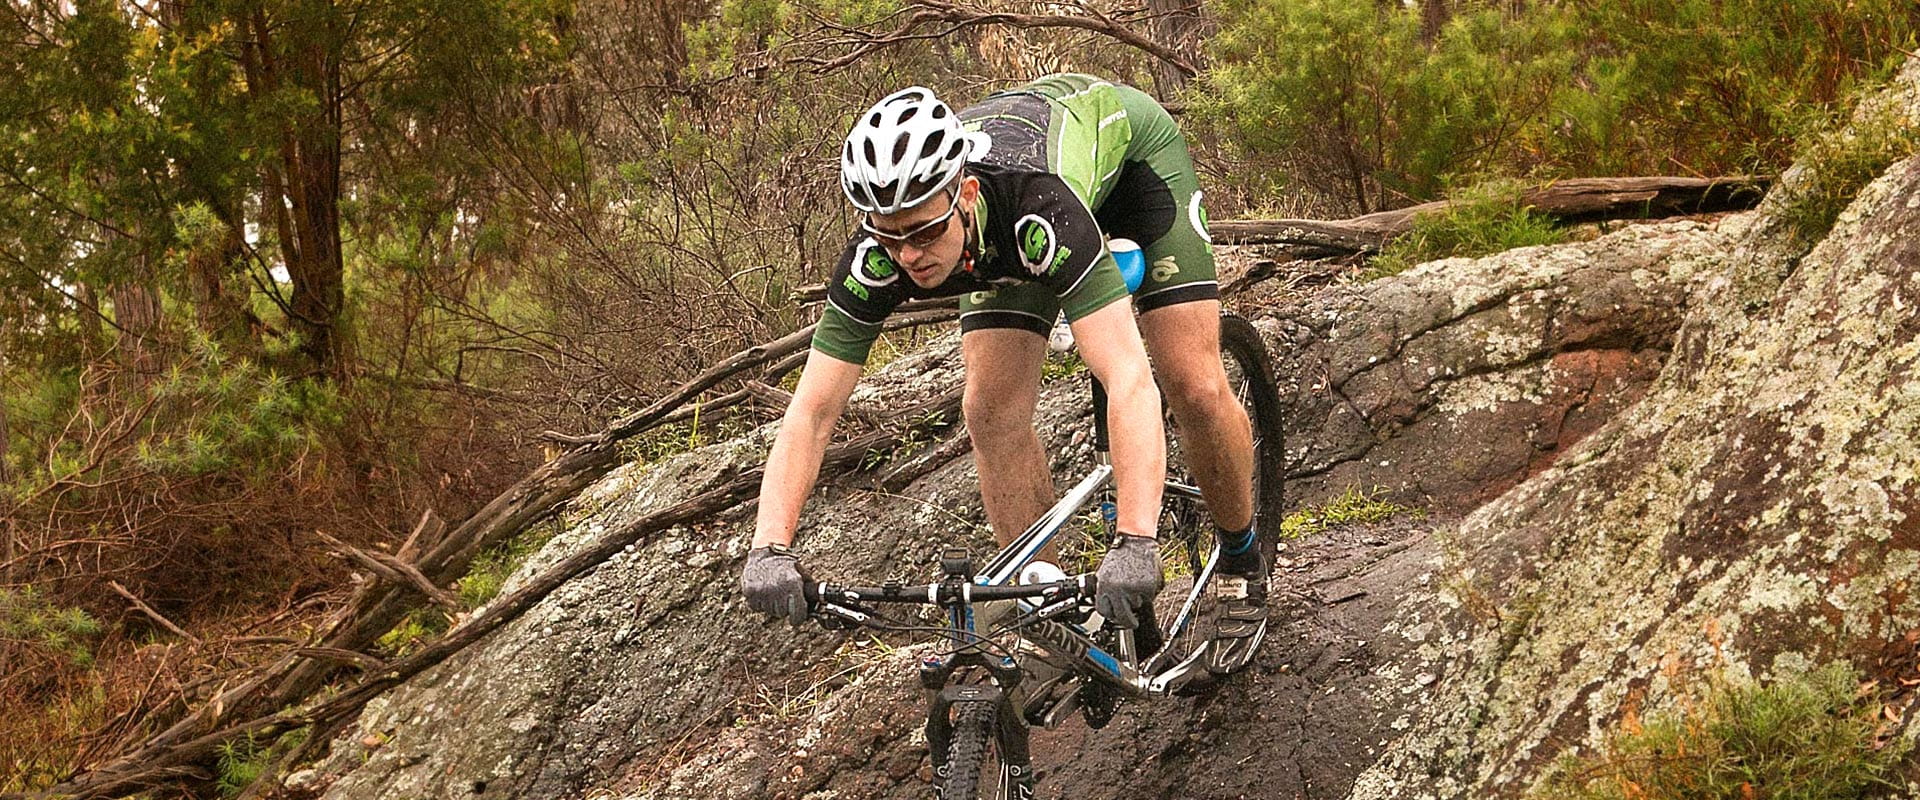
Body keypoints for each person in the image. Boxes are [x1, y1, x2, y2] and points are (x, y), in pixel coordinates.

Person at [740, 74, 1267, 673]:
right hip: (1001, 236)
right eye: (891, 237)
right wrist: (769, 547)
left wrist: (1137, 542)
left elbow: (1127, 377)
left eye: (924, 231)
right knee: (990, 411)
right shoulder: (879, 255)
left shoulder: (1032, 206)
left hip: (1129, 168)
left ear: (962, 194)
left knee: (1190, 383)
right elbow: (812, 412)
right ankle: (1054, 605)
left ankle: (1242, 557)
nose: (909, 254)